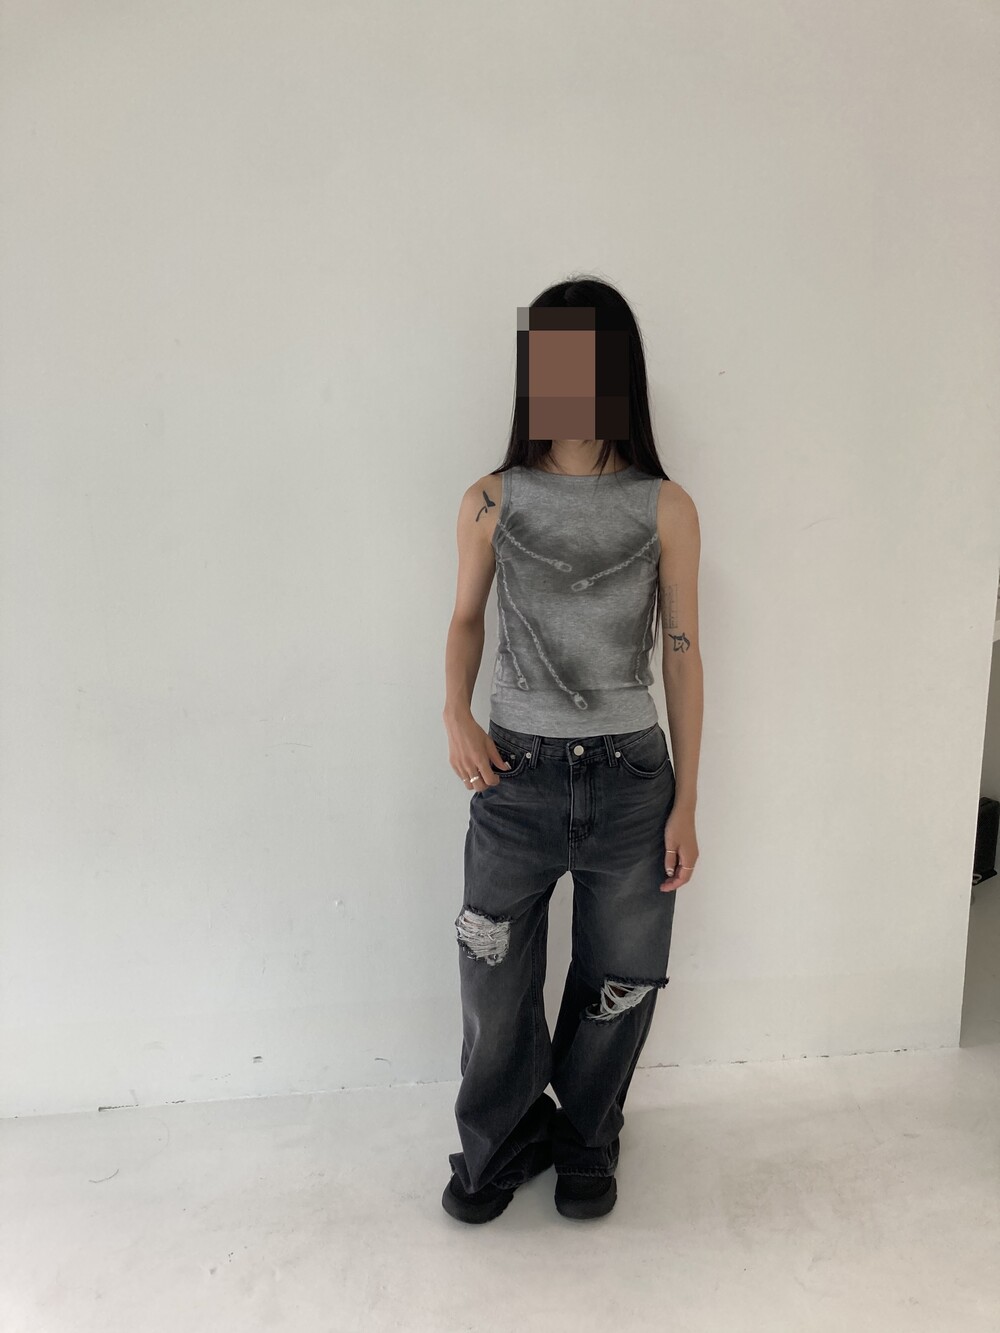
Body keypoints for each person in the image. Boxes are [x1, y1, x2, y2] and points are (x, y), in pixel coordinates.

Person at [441, 276, 703, 1224]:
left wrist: (687, 800)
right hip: (514, 774)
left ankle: (588, 1132)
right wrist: (455, 710)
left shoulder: (664, 506)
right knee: (494, 971)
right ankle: (501, 1138)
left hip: (631, 777)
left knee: (622, 974)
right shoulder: (490, 499)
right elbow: (466, 619)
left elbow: (682, 652)